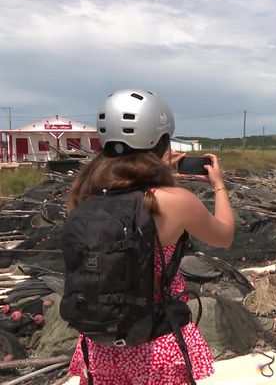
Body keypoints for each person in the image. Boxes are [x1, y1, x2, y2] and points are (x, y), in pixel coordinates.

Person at [65, 89, 234, 384]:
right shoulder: (174, 200)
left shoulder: (85, 194)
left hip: (100, 346)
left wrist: (157, 174)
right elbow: (224, 235)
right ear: (161, 142)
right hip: (158, 345)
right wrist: (219, 186)